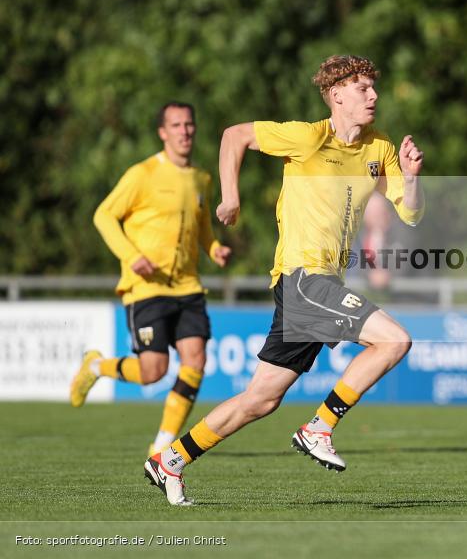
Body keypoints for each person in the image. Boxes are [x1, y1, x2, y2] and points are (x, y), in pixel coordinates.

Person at [143, 55, 424, 506]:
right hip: (303, 277)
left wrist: (410, 179)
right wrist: (230, 198)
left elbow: (409, 214)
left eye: (374, 87)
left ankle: (170, 459)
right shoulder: (308, 136)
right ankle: (320, 425)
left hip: (318, 283)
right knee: (393, 341)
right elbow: (235, 136)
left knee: (260, 400)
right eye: (361, 88)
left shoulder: (381, 148)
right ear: (336, 95)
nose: (373, 95)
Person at [71, 101, 232, 456]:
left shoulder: (201, 178)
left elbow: (202, 227)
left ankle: (162, 443)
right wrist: (132, 257)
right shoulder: (141, 174)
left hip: (188, 286)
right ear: (163, 132)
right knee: (152, 372)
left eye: (189, 124)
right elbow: (103, 216)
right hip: (146, 287)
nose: (184, 131)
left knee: (196, 359)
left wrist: (214, 248)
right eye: (176, 125)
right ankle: (96, 366)